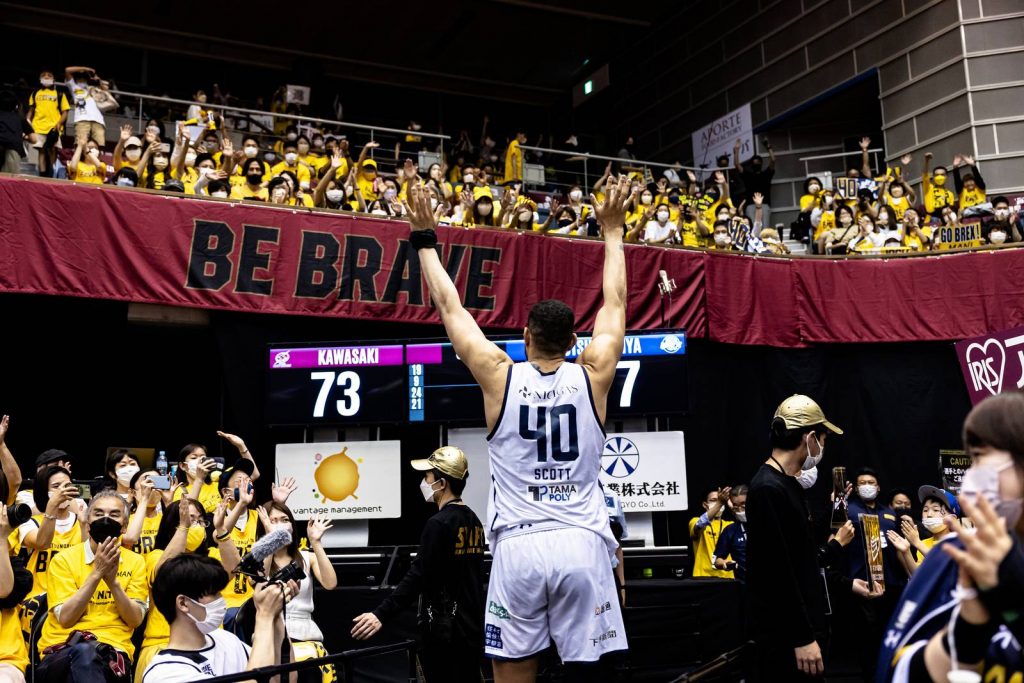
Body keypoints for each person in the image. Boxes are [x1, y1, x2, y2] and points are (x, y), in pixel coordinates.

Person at [407, 176, 634, 682]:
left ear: (526, 336)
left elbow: (451, 309)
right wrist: (613, 232)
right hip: (581, 542)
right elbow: (615, 304)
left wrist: (425, 237)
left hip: (518, 549)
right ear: (575, 339)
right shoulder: (593, 372)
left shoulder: (498, 374)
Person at [878, 392, 1023, 682]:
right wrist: (968, 628)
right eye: (973, 461)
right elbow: (897, 670)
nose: (975, 480)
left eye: (984, 459)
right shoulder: (957, 555)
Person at [351, 447, 484, 682]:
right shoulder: (474, 521)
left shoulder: (438, 523)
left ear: (441, 483)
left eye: (428, 477)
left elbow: (418, 575)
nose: (424, 481)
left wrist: (380, 614)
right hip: (471, 631)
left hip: (443, 634)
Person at [746, 394, 843, 681]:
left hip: (804, 629)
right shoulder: (767, 489)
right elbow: (777, 573)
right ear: (810, 437)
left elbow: (801, 557)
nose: (822, 447)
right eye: (823, 440)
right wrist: (802, 637)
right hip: (786, 641)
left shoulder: (788, 485)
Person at [35, 490, 149, 683]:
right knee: (84, 653)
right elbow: (66, 619)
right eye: (98, 513)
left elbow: (135, 620)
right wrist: (97, 573)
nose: (105, 519)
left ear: (124, 526)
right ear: (88, 524)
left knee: (89, 660)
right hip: (61, 651)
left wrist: (113, 583)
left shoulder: (136, 562)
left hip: (112, 652)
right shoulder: (63, 560)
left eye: (114, 515)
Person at [133, 496, 240, 682]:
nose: (196, 525)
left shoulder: (210, 557)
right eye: (190, 519)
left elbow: (233, 569)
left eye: (200, 520)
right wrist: (184, 528)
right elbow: (164, 573)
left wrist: (221, 530)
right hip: (162, 645)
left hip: (213, 644)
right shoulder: (154, 556)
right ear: (172, 525)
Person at [141, 555, 294, 681]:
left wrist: (276, 614)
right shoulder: (164, 672)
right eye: (213, 593)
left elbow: (281, 678)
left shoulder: (227, 640)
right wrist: (264, 616)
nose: (221, 600)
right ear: (183, 603)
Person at [260, 503, 336, 673]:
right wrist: (269, 539)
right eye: (273, 520)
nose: (280, 525)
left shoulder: (307, 557)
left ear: (292, 526)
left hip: (306, 636)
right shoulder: (259, 556)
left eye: (285, 519)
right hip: (270, 636)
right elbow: (260, 582)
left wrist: (316, 542)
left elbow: (330, 583)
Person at [26, 72, 69, 177]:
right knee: (41, 151)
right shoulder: (35, 93)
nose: (46, 77)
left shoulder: (59, 93)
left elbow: (65, 111)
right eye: (43, 76)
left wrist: (59, 123)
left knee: (53, 150)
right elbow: (31, 110)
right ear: (40, 79)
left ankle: (52, 173)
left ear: (53, 79)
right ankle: (42, 174)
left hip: (54, 128)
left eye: (49, 76)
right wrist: (27, 121)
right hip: (38, 126)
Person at [689, 487, 735, 579]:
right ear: (705, 505)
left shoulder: (730, 525)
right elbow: (701, 524)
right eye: (714, 500)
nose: (719, 502)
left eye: (721, 500)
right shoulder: (695, 521)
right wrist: (720, 503)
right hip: (703, 575)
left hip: (726, 575)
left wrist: (734, 507)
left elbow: (748, 523)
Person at [713, 485, 748, 581]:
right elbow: (717, 560)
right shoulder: (730, 530)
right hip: (743, 584)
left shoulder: (768, 523)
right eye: (736, 506)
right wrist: (725, 563)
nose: (740, 510)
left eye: (743, 505)